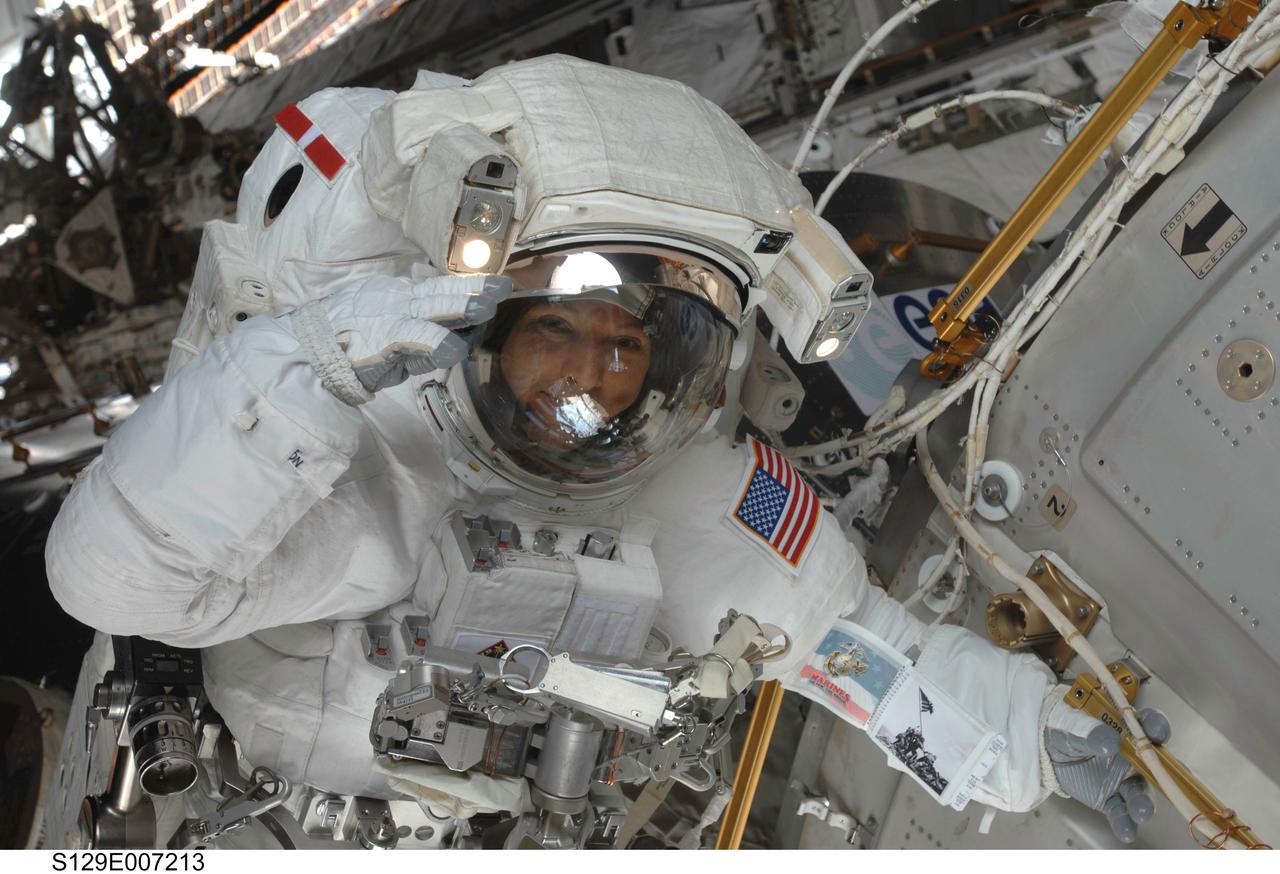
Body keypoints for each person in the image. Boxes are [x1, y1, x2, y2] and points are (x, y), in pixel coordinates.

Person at [44, 55, 1154, 846]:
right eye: (559, 329)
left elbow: (861, 652)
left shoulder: (690, 498)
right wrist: (305, 368)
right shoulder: (357, 473)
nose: (594, 371)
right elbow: (113, 575)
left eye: (629, 343)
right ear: (481, 329)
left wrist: (1032, 738)